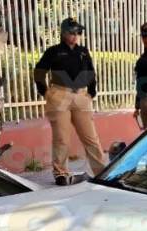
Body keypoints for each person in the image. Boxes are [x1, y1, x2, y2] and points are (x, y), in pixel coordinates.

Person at [34, 17, 106, 185]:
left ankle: (102, 171)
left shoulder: (83, 51)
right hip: (60, 95)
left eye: (78, 32)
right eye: (72, 32)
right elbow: (39, 71)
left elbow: (91, 72)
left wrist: (91, 92)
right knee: (61, 138)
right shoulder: (54, 51)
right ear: (64, 33)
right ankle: (61, 173)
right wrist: (45, 92)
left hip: (81, 96)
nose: (75, 35)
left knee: (91, 138)